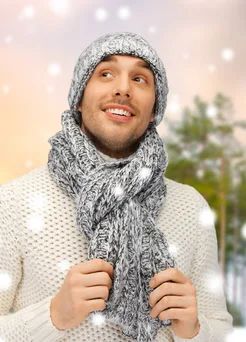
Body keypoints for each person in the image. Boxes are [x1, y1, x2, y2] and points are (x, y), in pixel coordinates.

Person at [0, 32, 233, 341]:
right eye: (106, 73)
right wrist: (53, 314)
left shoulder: (190, 206)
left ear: (153, 113)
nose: (123, 89)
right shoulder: (14, 201)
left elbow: (220, 328)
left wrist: (194, 329)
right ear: (79, 99)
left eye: (140, 79)